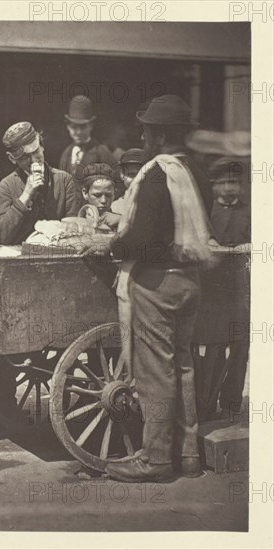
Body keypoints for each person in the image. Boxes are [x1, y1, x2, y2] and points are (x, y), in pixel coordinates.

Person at [82, 95, 213, 482]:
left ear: (157, 134)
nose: (142, 133)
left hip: (157, 282)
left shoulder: (157, 174)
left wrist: (111, 244)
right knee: (183, 366)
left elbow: (141, 238)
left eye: (146, 128)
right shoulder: (196, 170)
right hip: (190, 280)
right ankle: (188, 455)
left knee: (156, 372)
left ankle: (155, 459)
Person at [193, 157, 250, 419]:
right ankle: (207, 402)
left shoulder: (250, 212)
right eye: (224, 182)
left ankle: (231, 404)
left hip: (239, 290)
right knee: (214, 346)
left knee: (239, 345)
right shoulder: (206, 213)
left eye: (235, 182)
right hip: (212, 289)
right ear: (214, 185)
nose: (229, 188)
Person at [0, 121, 79, 245]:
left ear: (42, 146)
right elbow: (0, 236)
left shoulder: (64, 180)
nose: (34, 160)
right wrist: (25, 196)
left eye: (36, 152)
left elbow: (74, 230)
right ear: (12, 158)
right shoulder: (7, 185)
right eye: (25, 157)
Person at [59, 95, 115, 196]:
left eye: (83, 127)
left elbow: (118, 184)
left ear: (91, 126)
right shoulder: (66, 154)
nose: (78, 132)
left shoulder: (101, 152)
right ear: (67, 126)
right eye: (74, 127)